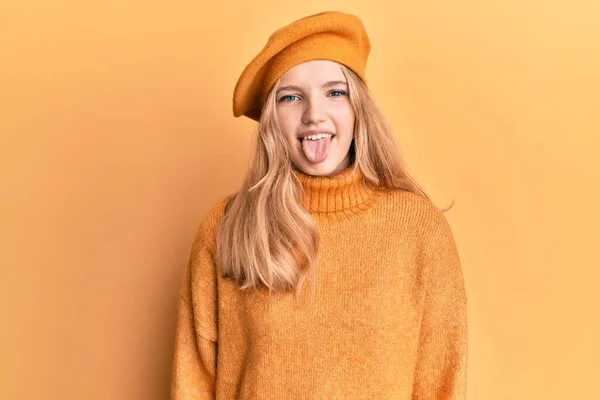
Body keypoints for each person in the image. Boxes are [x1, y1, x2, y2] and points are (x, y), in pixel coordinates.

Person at [171, 10, 468, 400]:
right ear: (271, 119)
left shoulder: (417, 230)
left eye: (335, 92)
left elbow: (442, 386)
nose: (314, 114)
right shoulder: (227, 228)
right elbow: (193, 383)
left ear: (358, 108)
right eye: (291, 97)